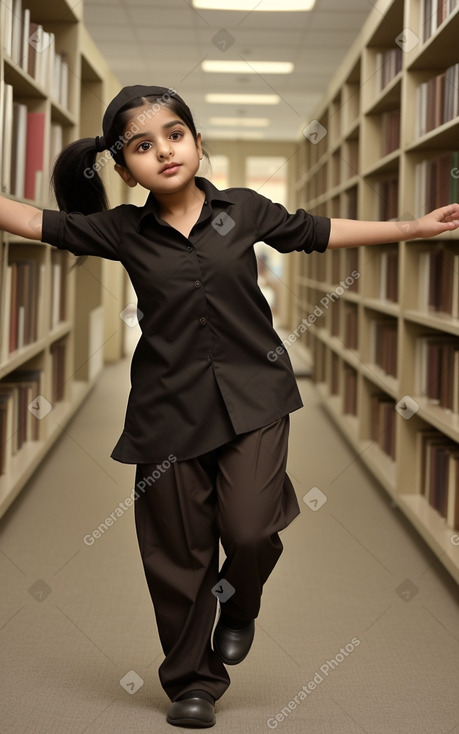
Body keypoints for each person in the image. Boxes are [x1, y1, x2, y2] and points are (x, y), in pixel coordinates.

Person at [1, 84, 458, 729]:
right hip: (167, 412)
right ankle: (192, 680)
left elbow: (320, 232)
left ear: (193, 139)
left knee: (248, 528)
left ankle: (240, 605)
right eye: (141, 146)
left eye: (174, 135)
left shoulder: (241, 211)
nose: (163, 152)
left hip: (256, 396)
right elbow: (29, 221)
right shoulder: (122, 230)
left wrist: (410, 227)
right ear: (123, 165)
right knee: (177, 554)